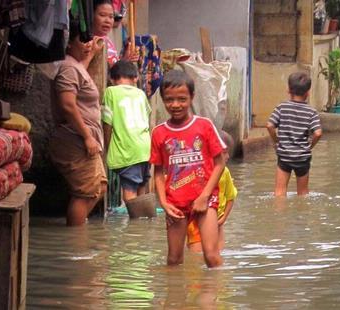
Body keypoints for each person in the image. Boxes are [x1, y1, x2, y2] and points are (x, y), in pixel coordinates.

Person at [150, 70, 227, 268]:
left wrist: (205, 196)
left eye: (182, 99)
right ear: (163, 100)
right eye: (169, 100)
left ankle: (217, 294)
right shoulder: (159, 133)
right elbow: (158, 172)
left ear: (192, 97)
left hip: (206, 199)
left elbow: (220, 162)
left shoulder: (204, 126)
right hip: (176, 203)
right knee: (174, 259)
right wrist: (164, 203)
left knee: (211, 256)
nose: (175, 105)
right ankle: (175, 299)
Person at [49, 21, 106, 226]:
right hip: (76, 139)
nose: (88, 44)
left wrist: (91, 54)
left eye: (89, 39)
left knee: (98, 188)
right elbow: (67, 105)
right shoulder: (67, 67)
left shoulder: (74, 66)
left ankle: (79, 227)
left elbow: (78, 72)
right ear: (68, 43)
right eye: (82, 40)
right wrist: (87, 137)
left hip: (83, 138)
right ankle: (75, 243)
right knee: (86, 193)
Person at [102, 60, 151, 204]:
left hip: (127, 149)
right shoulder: (141, 94)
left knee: (129, 193)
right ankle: (143, 224)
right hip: (145, 148)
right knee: (141, 187)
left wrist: (107, 146)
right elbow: (147, 119)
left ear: (112, 79)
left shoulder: (110, 91)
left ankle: (134, 225)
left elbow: (107, 122)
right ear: (135, 78)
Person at [266, 72, 323, 197]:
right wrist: (310, 146)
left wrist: (277, 141)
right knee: (303, 194)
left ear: (288, 90)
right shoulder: (311, 112)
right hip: (303, 157)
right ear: (308, 92)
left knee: (279, 192)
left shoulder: (281, 108)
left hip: (284, 155)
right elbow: (318, 133)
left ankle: (280, 215)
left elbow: (270, 125)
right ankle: (302, 216)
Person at [187, 131, 238, 253]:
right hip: (196, 220)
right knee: (196, 257)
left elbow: (231, 197)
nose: (227, 157)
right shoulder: (196, 171)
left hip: (218, 221)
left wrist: (223, 218)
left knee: (218, 254)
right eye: (224, 153)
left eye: (227, 153)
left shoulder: (225, 172)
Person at [92, 0, 137, 67]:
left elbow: (115, 69)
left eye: (111, 17)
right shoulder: (89, 43)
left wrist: (125, 60)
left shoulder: (107, 40)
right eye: (102, 15)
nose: (107, 21)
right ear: (91, 15)